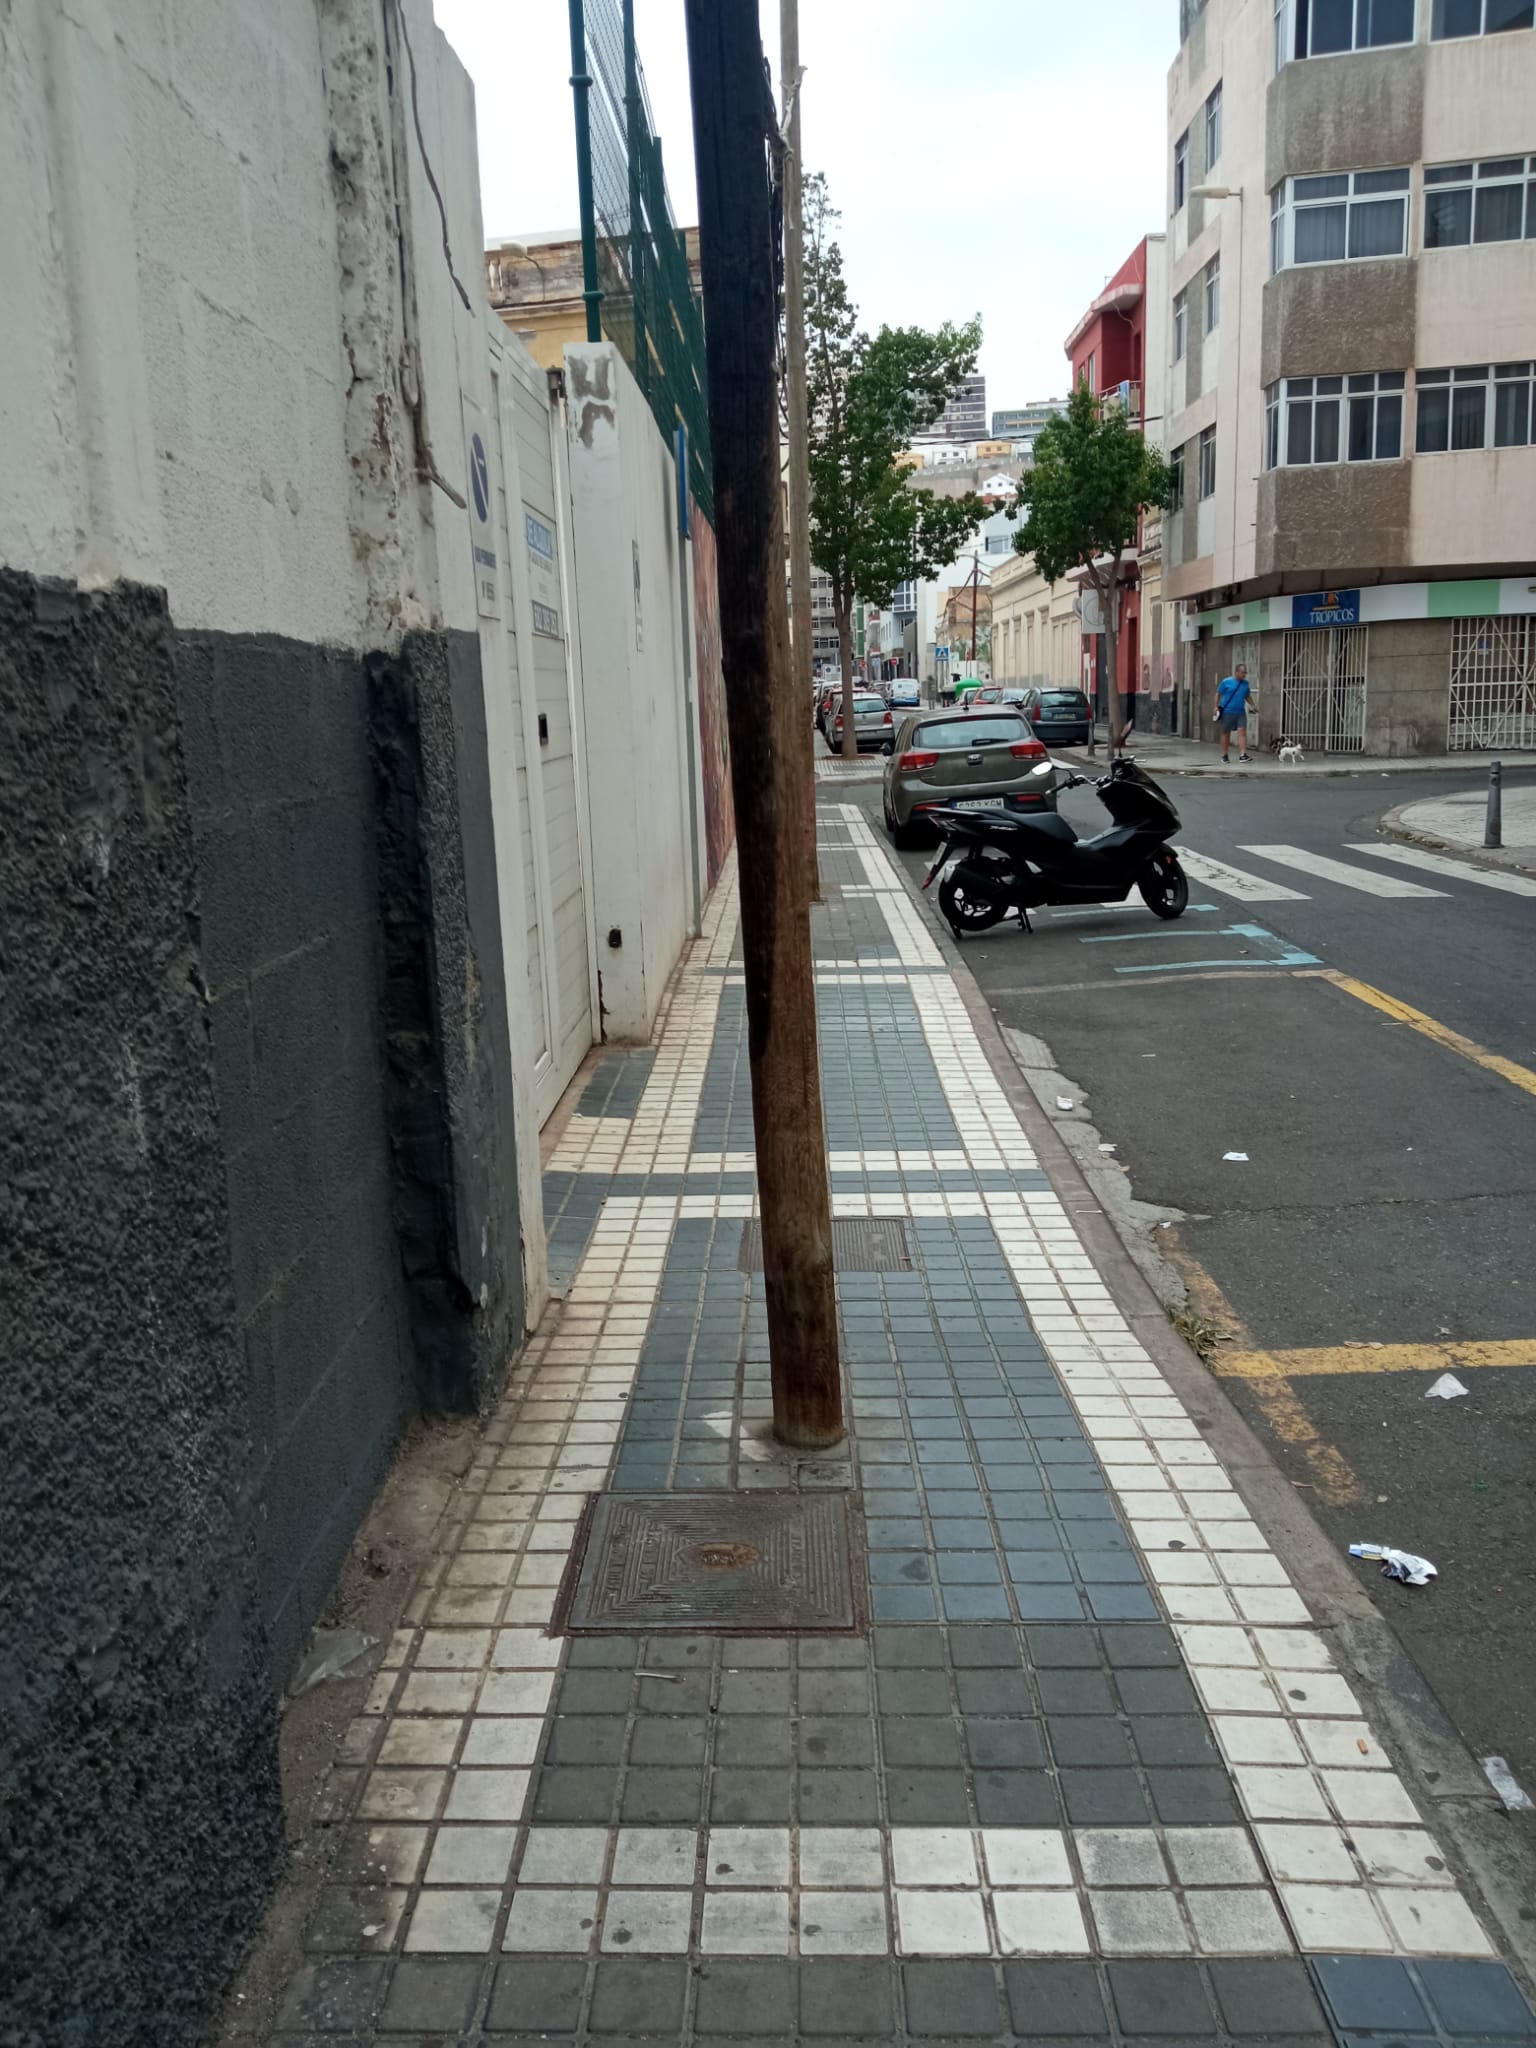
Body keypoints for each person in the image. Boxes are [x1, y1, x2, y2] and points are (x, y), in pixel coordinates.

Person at [1214, 664, 1254, 763]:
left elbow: (1247, 695)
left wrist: (1253, 705)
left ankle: (1243, 754)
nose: (1244, 675)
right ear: (1236, 672)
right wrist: (1215, 706)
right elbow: (1218, 693)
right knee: (1226, 733)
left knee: (1242, 731)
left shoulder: (1245, 684)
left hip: (1240, 711)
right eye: (1242, 672)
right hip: (1228, 711)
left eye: (1245, 673)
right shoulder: (1226, 682)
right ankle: (1224, 755)